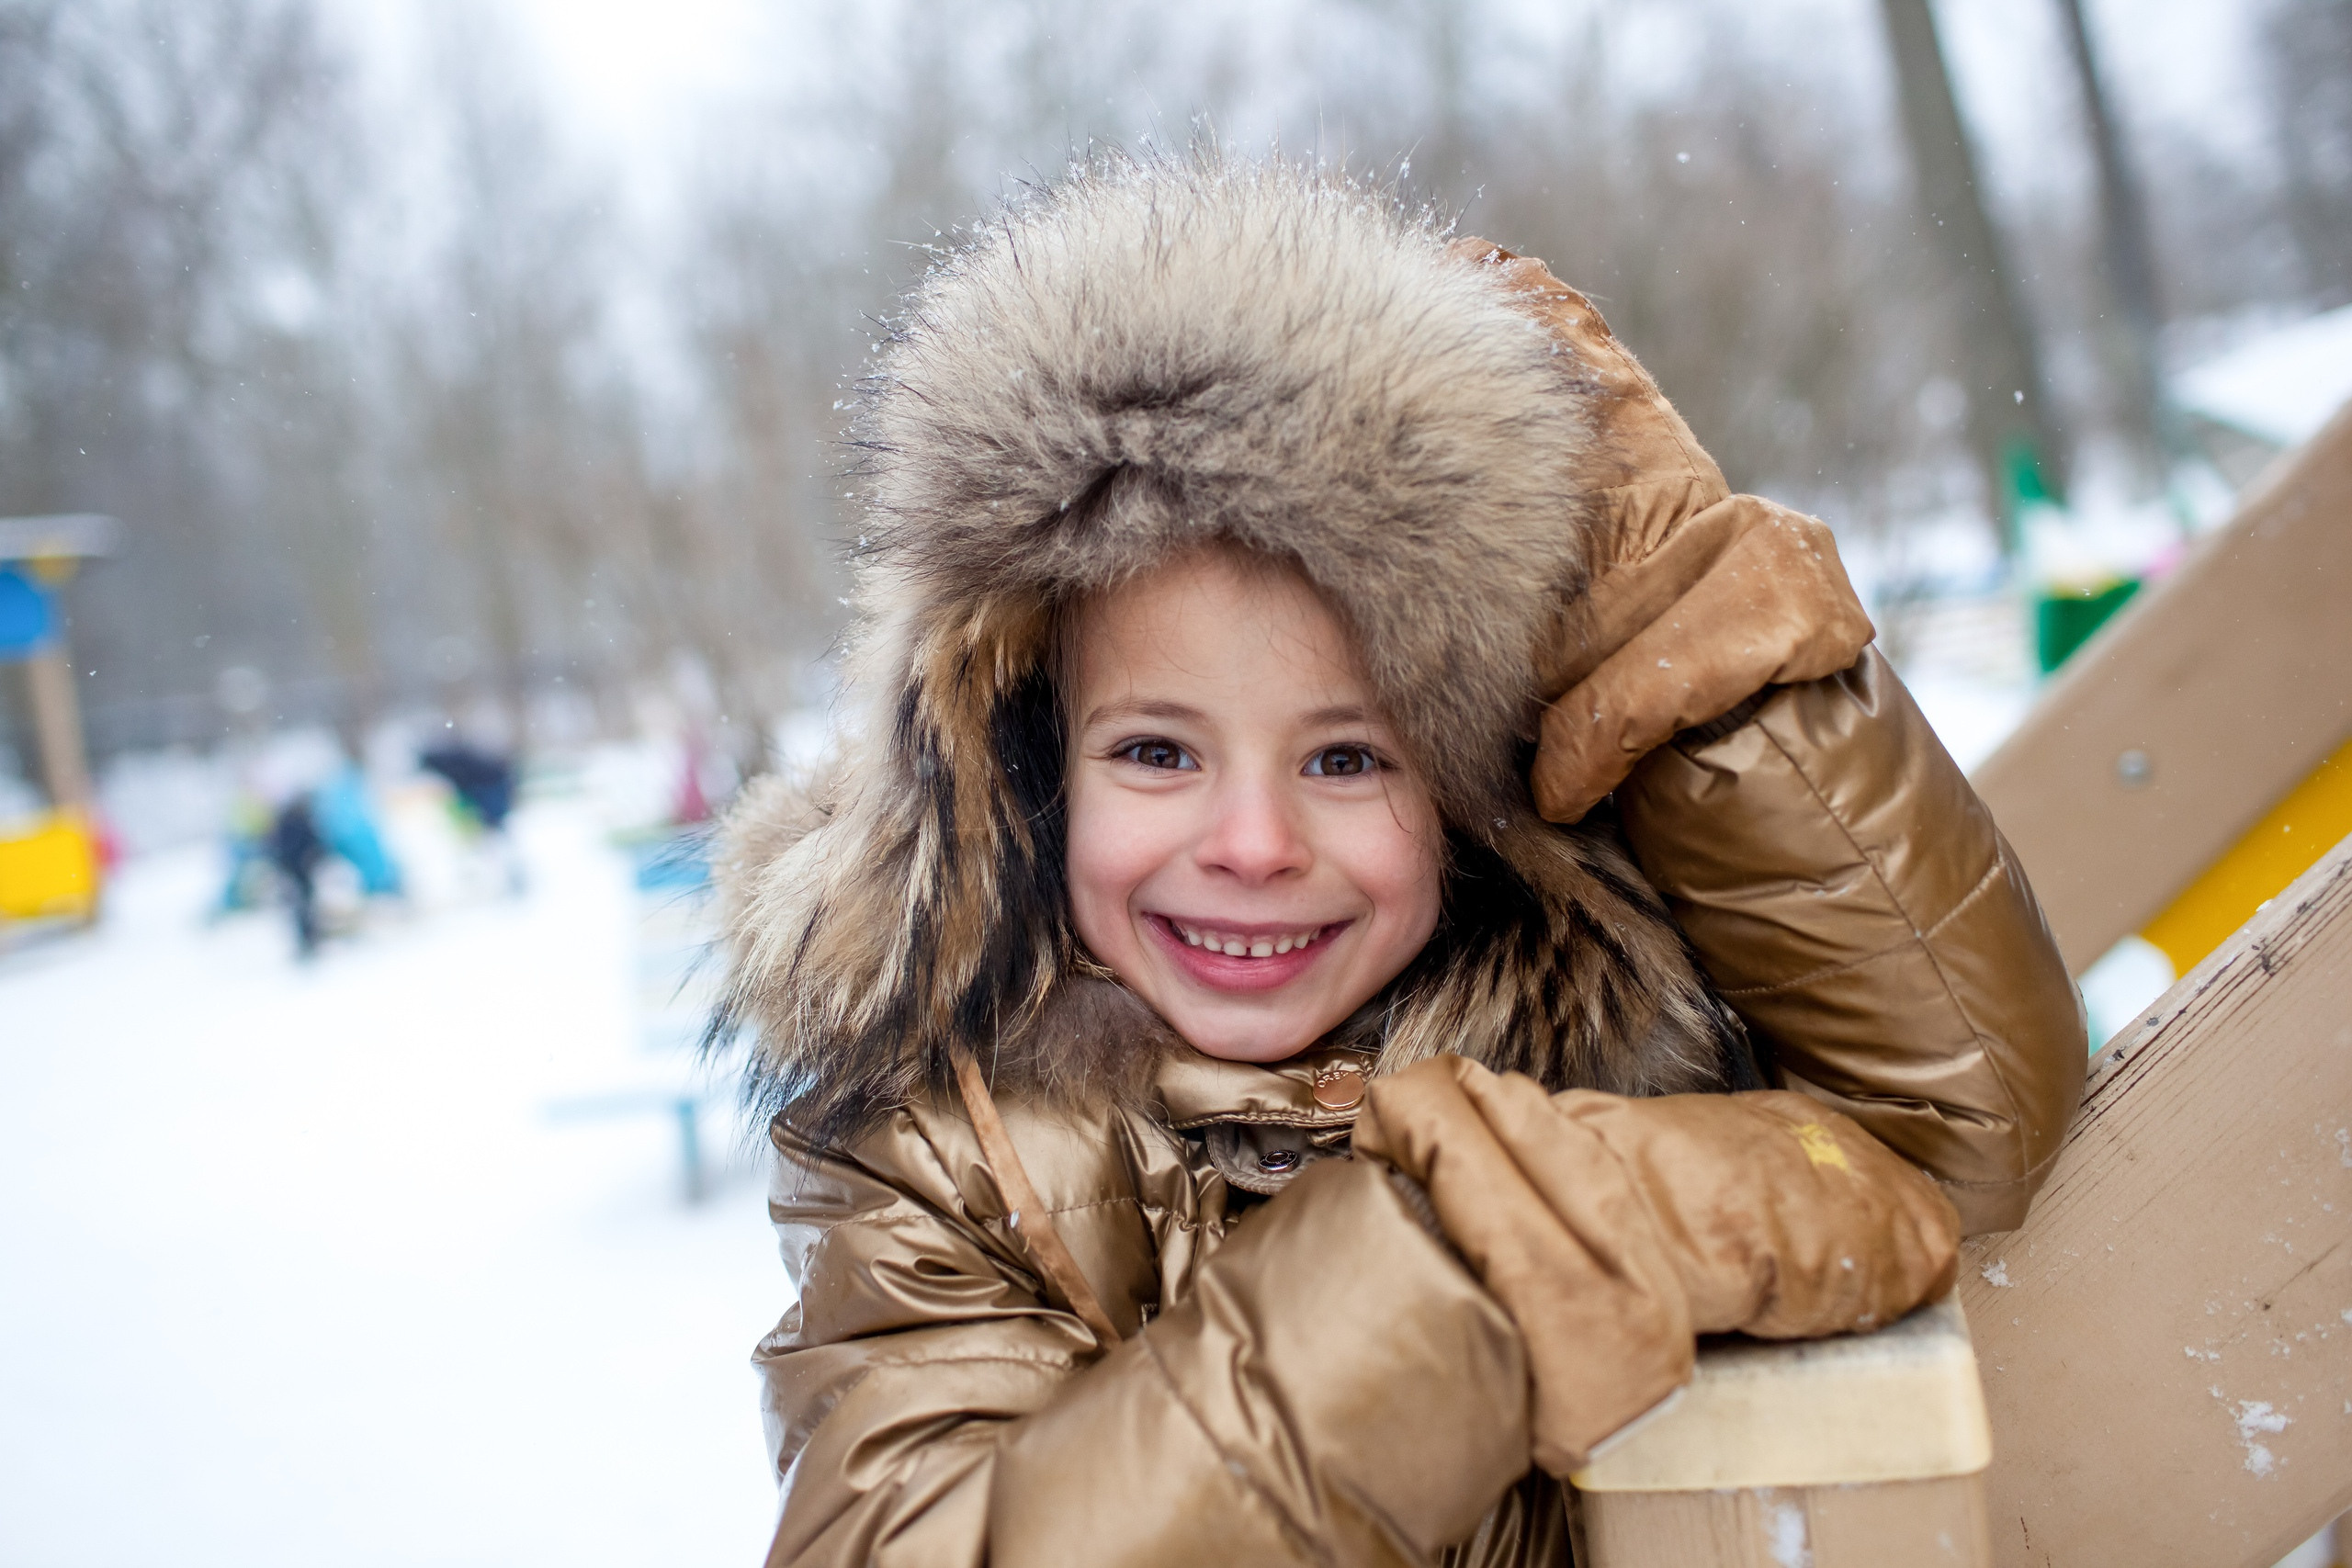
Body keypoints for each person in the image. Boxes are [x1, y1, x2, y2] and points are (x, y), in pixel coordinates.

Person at [715, 154, 2085, 1567]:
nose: (1252, 847)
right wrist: (1455, 1266)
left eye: (1350, 758)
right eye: (1159, 754)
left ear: (1469, 793)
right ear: (1029, 768)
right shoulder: (942, 1159)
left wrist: (1682, 635)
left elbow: (1958, 1115)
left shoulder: (1586, 1020)